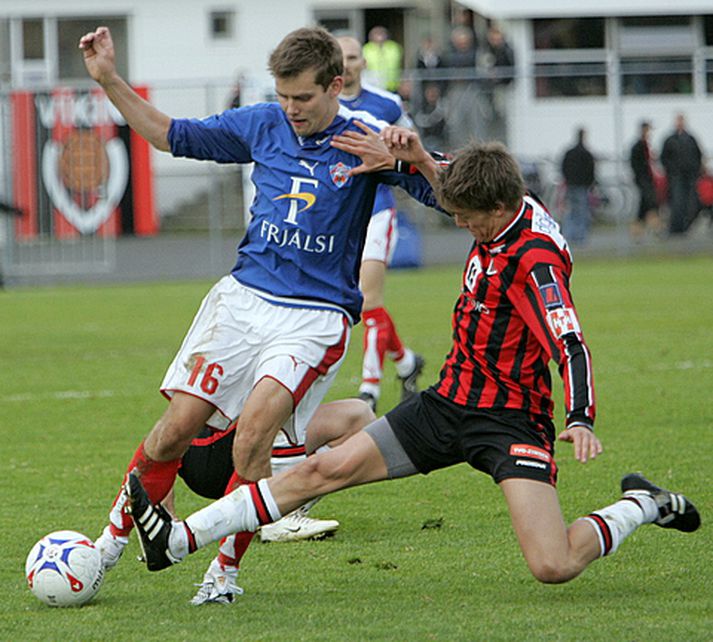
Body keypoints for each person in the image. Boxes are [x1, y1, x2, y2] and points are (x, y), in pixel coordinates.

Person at [126, 127, 700, 589]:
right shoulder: (506, 198)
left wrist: (579, 418)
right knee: (322, 469)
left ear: (500, 208)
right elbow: (458, 178)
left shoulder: (535, 261)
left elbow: (569, 341)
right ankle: (179, 540)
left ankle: (640, 503)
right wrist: (416, 158)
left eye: (468, 218)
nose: (459, 224)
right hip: (448, 403)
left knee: (553, 564)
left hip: (510, 422)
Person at [79, 25, 438, 604]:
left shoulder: (368, 140)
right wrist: (109, 80)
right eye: (284, 96)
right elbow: (169, 135)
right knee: (174, 432)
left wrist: (416, 159)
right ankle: (104, 549)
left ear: (336, 86)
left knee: (253, 438)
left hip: (314, 317)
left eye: (303, 98)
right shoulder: (263, 122)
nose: (291, 109)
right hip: (242, 302)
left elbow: (455, 197)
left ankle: (222, 575)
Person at [165, 397, 375, 604]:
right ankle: (282, 514)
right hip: (240, 447)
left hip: (192, 453)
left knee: (348, 413)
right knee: (356, 417)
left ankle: (159, 525)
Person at [337, 34, 425, 412]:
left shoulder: (386, 104)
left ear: (364, 62)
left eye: (353, 57)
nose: (346, 64)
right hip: (339, 216)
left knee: (369, 299)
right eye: (339, 58)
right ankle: (406, 362)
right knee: (359, 301)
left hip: (377, 209)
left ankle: (369, 390)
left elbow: (411, 145)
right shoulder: (321, 106)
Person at [660, 113, 702, 235]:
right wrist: (671, 171)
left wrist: (695, 169)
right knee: (677, 202)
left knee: (691, 202)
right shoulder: (670, 140)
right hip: (676, 176)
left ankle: (686, 226)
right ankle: (675, 227)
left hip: (690, 176)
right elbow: (664, 158)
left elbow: (698, 155)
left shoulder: (691, 139)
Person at [561, 127, 595, 245]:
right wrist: (590, 183)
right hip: (582, 186)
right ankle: (580, 237)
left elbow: (563, 167)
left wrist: (567, 180)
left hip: (571, 185)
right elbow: (591, 170)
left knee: (570, 211)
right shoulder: (586, 153)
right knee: (582, 211)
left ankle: (567, 236)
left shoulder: (569, 153)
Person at [629, 121, 662, 241]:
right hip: (644, 179)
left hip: (648, 179)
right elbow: (637, 165)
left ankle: (637, 230)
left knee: (643, 205)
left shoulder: (646, 146)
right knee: (651, 202)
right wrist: (641, 177)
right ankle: (656, 226)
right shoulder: (638, 146)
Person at [362, 26, 403, 93]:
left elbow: (399, 63)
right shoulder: (366, 49)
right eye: (377, 34)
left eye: (381, 34)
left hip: (392, 86)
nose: (380, 36)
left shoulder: (394, 47)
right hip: (373, 85)